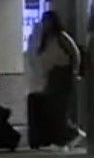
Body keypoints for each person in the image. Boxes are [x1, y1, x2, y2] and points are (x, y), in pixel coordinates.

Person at [35, 10, 88, 150]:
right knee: (52, 108)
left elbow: (75, 53)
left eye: (47, 21)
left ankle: (71, 135)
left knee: (59, 108)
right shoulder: (46, 40)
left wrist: (75, 72)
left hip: (63, 73)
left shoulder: (61, 37)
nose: (45, 24)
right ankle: (63, 136)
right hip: (52, 74)